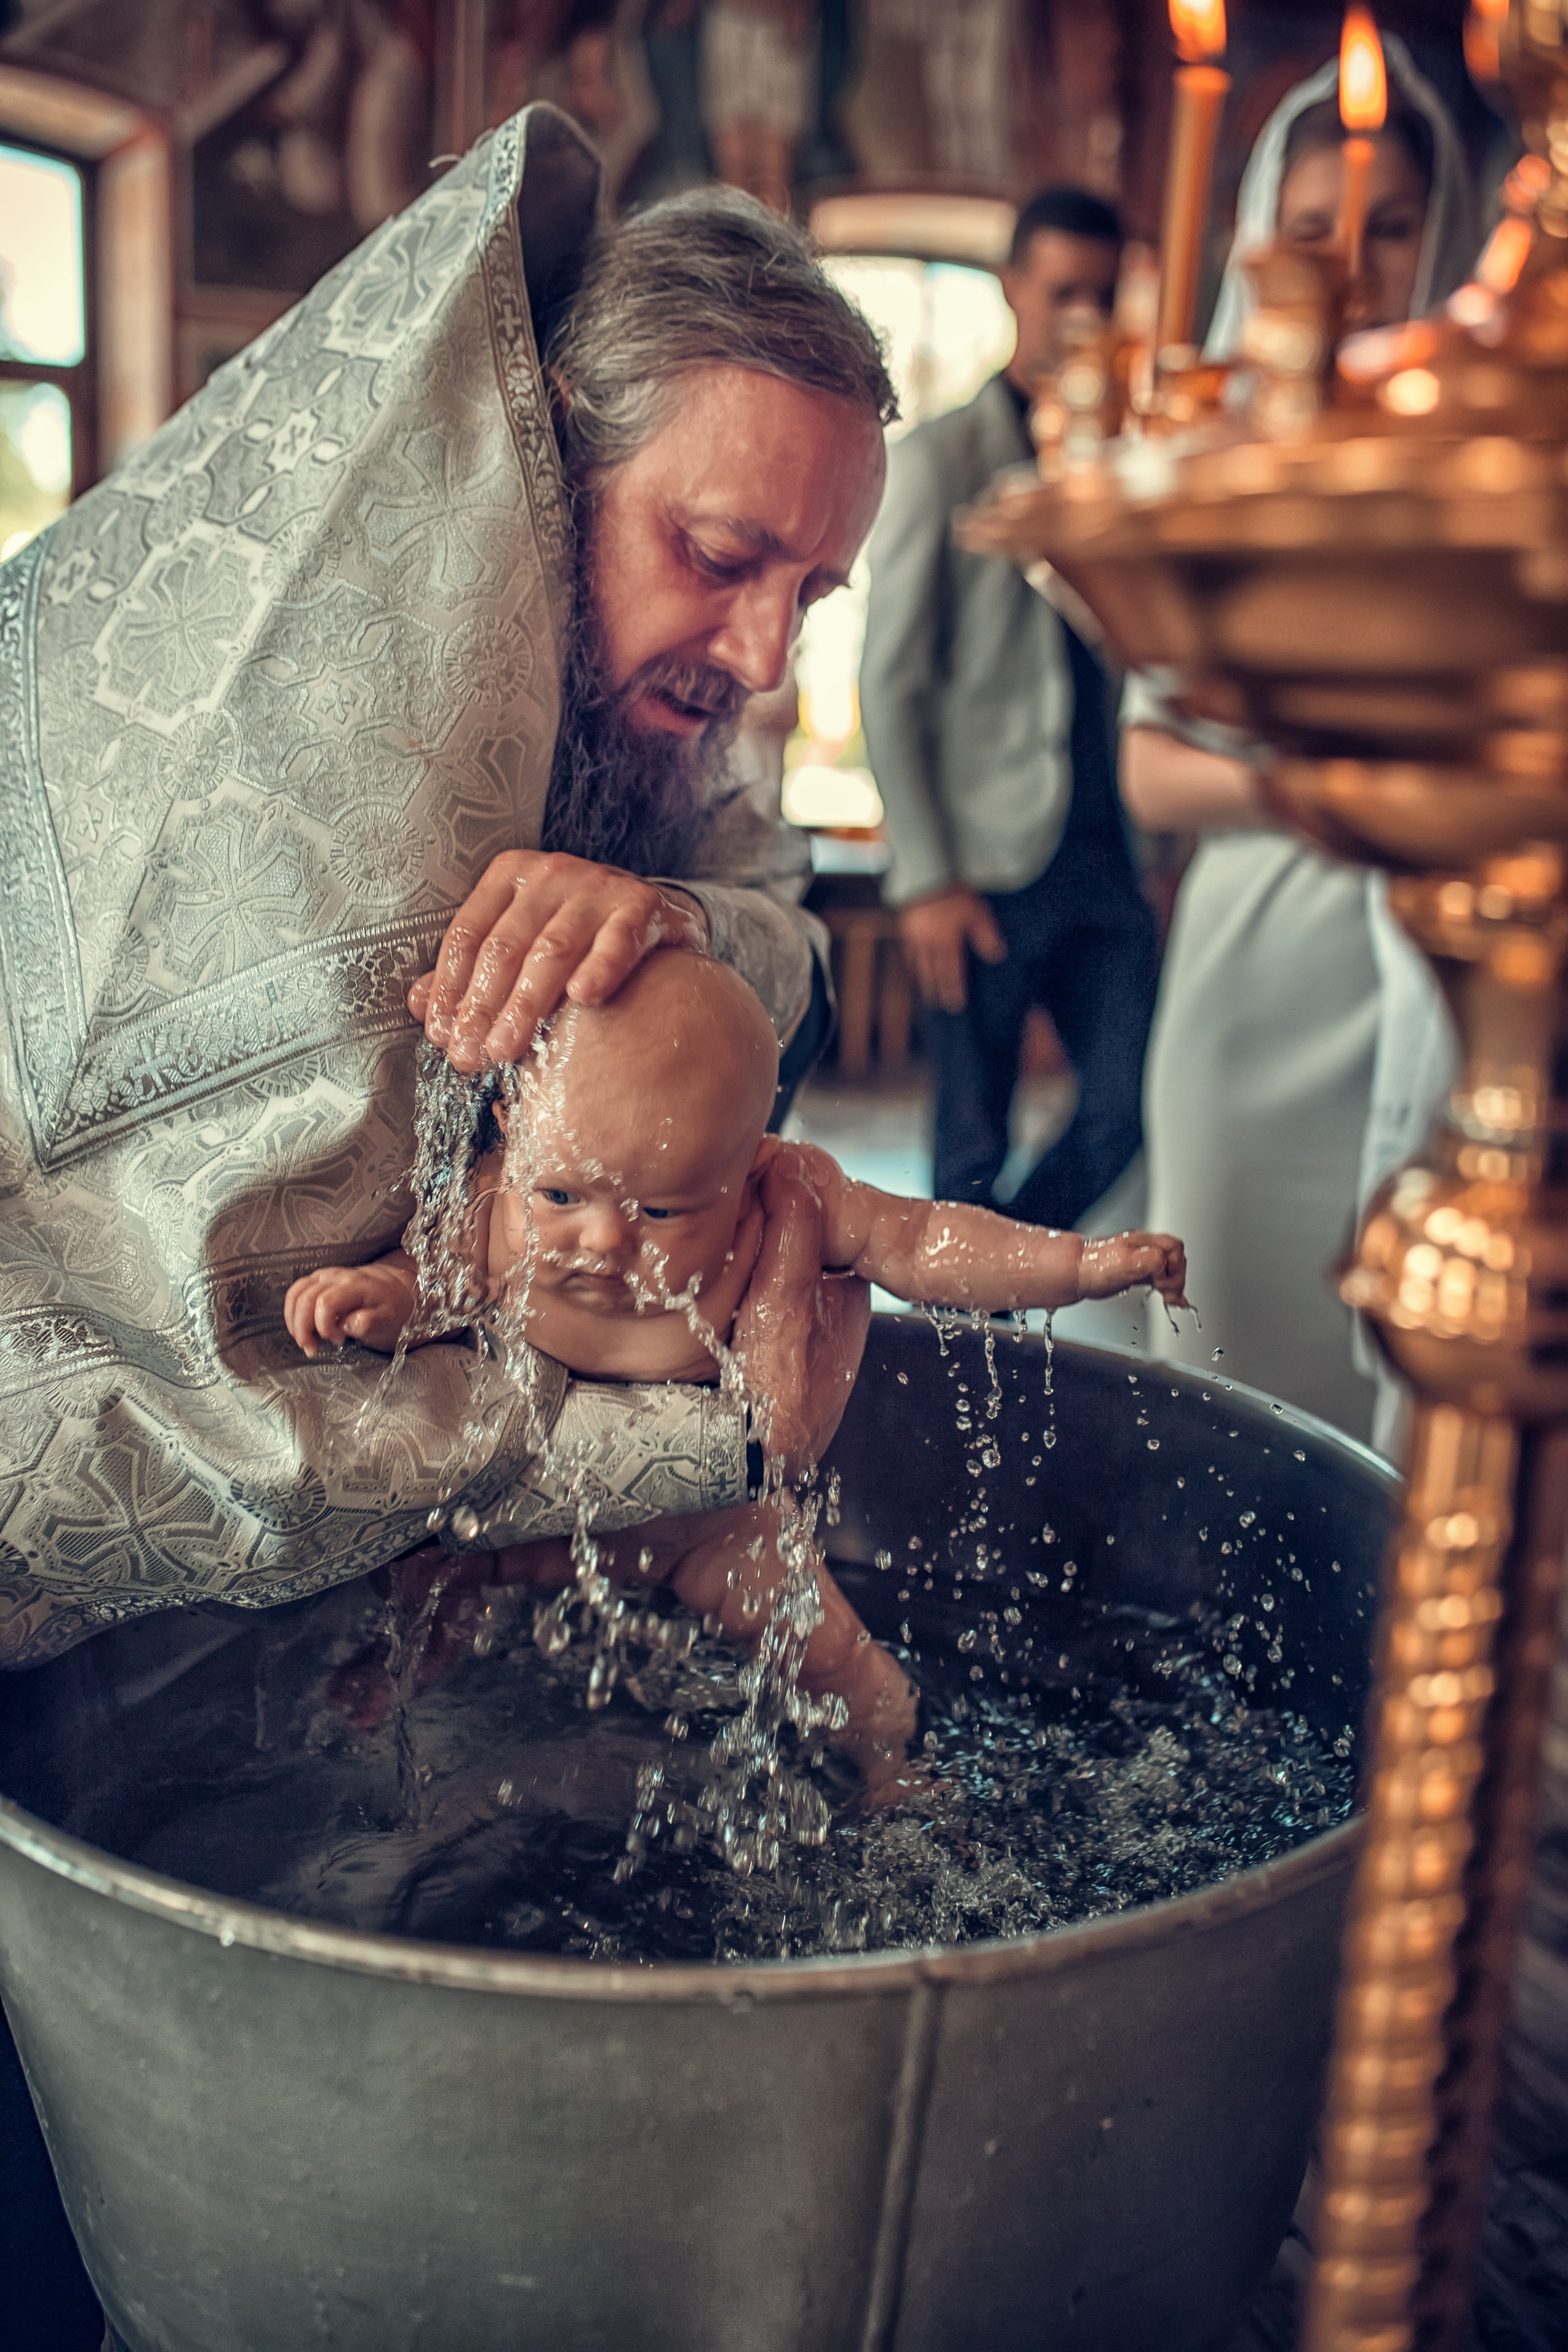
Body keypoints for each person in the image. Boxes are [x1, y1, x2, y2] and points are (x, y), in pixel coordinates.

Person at [0, 105, 900, 1668]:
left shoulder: (652, 734)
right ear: (537, 469)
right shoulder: (274, 749)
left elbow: (783, 933)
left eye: (809, 595)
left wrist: (677, 923)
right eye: (715, 556)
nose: (765, 659)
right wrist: (702, 1461)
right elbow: (139, 1366)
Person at [284, 947, 1187, 1784]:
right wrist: (382, 1297)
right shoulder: (491, 1206)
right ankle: (424, 1653)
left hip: (713, 1526)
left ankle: (891, 1758)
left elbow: (922, 1242)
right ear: (513, 1125)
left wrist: (1080, 1264)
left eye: (661, 1213)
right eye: (561, 1193)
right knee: (424, 1563)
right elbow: (433, 1283)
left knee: (831, 1658)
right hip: (529, 1510)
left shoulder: (782, 1197)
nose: (602, 1241)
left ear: (748, 1163)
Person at [1120, 40, 1475, 1446]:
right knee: (1228, 1374)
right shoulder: (1219, 462)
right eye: (1314, 228)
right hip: (1253, 974)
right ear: (1262, 243)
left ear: (1443, 235)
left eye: (1390, 227)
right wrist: (1327, 789)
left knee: (1418, 1360)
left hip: (1442, 985)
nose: (1352, 267)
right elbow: (1151, 768)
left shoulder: (1501, 467)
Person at [860, 184, 1159, 1240]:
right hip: (980, 864)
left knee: (1129, 1108)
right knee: (970, 1151)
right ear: (1013, 288)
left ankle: (1006, 1279)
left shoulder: (1131, 464)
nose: (1085, 317)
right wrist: (927, 878)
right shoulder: (942, 459)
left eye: (1104, 295)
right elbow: (890, 678)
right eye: (1064, 291)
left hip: (1106, 855)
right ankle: (961, 1329)